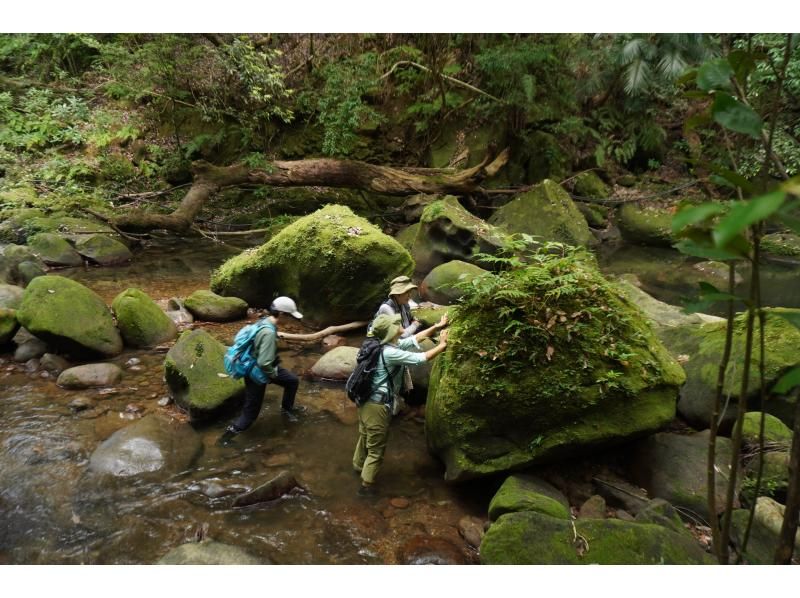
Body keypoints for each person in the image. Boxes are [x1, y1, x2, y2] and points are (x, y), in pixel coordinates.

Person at [352, 312, 449, 497]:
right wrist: (443, 345)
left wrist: (437, 327)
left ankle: (357, 467)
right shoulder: (390, 353)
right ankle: (365, 488)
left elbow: (415, 339)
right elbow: (421, 358)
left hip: (364, 401)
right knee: (376, 449)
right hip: (377, 405)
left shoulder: (381, 345)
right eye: (396, 325)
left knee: (365, 435)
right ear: (390, 332)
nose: (401, 326)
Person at [217, 296, 306, 446]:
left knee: (292, 381)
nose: (292, 320)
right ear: (282, 314)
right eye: (291, 317)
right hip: (257, 374)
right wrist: (272, 375)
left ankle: (287, 409)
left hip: (261, 367)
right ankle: (224, 439)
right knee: (250, 414)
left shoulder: (265, 322)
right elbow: (264, 362)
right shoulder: (268, 333)